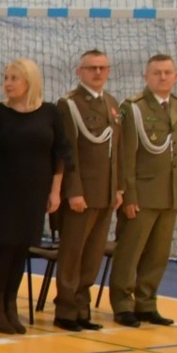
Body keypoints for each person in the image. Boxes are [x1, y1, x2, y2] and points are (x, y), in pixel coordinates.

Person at [0, 59, 69, 333]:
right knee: (6, 248)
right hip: (2, 192)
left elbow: (60, 154)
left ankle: (10, 306)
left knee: (22, 249)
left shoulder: (50, 113)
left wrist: (55, 191)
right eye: (6, 77)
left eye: (14, 78)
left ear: (30, 81)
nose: (8, 83)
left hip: (35, 192)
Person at [110, 54, 177, 326]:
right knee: (129, 253)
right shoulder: (133, 108)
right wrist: (129, 196)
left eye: (168, 72)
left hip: (169, 195)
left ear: (175, 76)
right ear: (146, 77)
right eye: (157, 72)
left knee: (158, 254)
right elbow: (125, 157)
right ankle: (123, 304)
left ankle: (146, 303)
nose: (163, 77)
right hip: (141, 195)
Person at [53, 50, 123, 331]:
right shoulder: (69, 104)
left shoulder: (112, 103)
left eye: (102, 67)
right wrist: (74, 191)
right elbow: (67, 152)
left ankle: (82, 308)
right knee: (73, 253)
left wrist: (118, 188)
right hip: (81, 194)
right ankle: (66, 310)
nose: (97, 72)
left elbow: (116, 151)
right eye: (91, 68)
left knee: (93, 255)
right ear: (78, 72)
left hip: (105, 193)